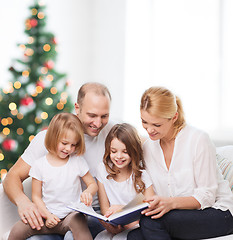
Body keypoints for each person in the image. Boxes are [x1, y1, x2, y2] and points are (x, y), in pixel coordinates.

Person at [3, 82, 114, 240]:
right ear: (77, 108)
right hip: (51, 214)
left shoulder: (112, 133)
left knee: (73, 234)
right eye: (92, 115)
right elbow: (11, 177)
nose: (98, 123)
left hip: (90, 214)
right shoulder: (48, 139)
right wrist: (24, 203)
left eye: (104, 116)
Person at [127, 86, 233, 240]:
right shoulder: (148, 148)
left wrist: (170, 203)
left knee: (151, 223)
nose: (149, 130)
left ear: (174, 117)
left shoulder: (198, 140)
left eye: (157, 125)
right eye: (144, 122)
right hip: (179, 216)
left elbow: (207, 196)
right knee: (134, 237)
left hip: (218, 213)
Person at [8, 113, 98, 240]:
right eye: (65, 143)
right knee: (18, 230)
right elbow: (36, 197)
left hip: (71, 216)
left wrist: (88, 192)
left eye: (73, 145)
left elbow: (92, 184)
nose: (69, 149)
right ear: (53, 137)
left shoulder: (77, 161)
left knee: (79, 222)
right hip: (47, 216)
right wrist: (47, 215)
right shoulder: (40, 165)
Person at [95, 123, 155, 240]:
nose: (119, 156)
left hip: (136, 227)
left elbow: (150, 209)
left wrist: (121, 208)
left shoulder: (142, 175)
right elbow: (104, 209)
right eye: (113, 151)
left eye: (125, 152)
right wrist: (110, 224)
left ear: (133, 151)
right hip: (114, 226)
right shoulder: (102, 169)